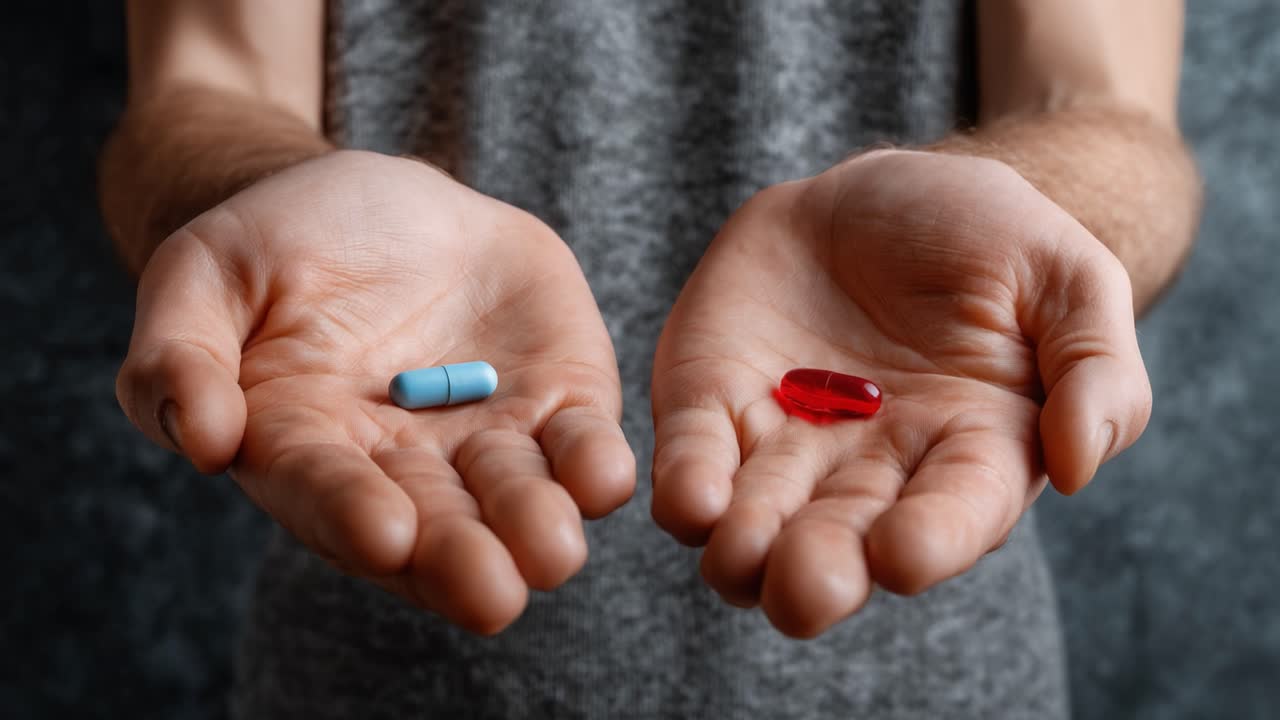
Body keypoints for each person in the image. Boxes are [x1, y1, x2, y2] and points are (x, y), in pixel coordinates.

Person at [100, 1, 1201, 717]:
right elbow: (203, 82)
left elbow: (1099, 104)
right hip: (373, 653)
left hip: (935, 656)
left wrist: (1041, 221)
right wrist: (248, 201)